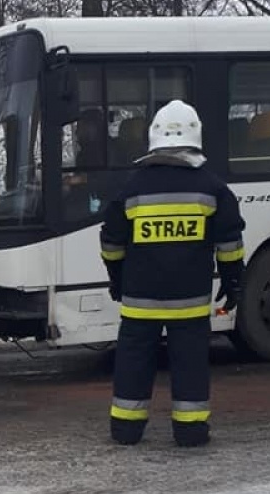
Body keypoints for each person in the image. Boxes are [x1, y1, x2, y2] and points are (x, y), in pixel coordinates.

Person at [99, 99, 245, 448]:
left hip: (139, 302)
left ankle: (126, 430)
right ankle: (191, 431)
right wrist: (232, 280)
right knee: (190, 364)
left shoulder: (131, 189)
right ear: (196, 137)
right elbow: (230, 242)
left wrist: (117, 278)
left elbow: (111, 241)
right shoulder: (212, 189)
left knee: (133, 362)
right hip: (190, 303)